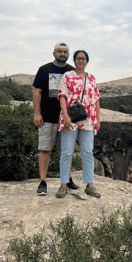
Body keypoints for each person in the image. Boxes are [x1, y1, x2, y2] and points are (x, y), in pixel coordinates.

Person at [32, 42, 78, 195]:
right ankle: (43, 182)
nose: (62, 54)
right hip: (47, 117)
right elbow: (37, 92)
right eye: (59, 51)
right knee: (45, 150)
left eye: (65, 51)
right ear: (54, 53)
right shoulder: (44, 69)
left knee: (67, 150)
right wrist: (37, 113)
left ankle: (68, 180)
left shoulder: (72, 71)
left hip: (67, 118)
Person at [55, 50, 101, 198]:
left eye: (83, 58)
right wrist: (65, 116)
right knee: (67, 152)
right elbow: (62, 96)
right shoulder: (67, 76)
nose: (81, 61)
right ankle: (63, 184)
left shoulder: (92, 78)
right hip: (71, 118)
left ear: (87, 61)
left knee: (87, 151)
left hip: (88, 119)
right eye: (78, 58)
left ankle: (90, 185)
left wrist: (98, 120)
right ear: (74, 61)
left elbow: (96, 100)